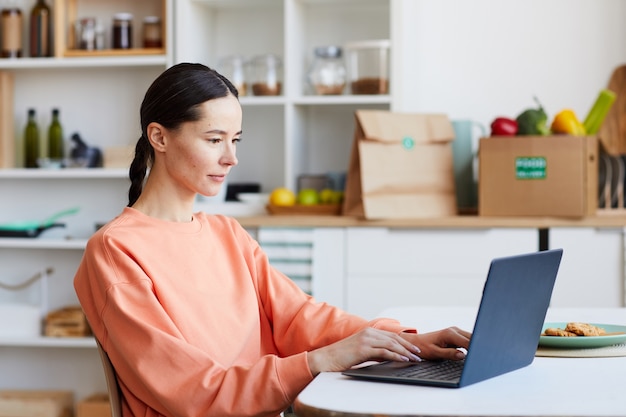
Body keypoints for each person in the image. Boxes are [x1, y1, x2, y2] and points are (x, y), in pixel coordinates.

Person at [74, 62, 471, 417]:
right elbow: (192, 393)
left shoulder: (226, 232)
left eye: (236, 140)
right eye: (214, 140)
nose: (231, 158)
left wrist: (406, 341)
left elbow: (300, 316)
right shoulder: (116, 250)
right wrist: (320, 361)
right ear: (159, 138)